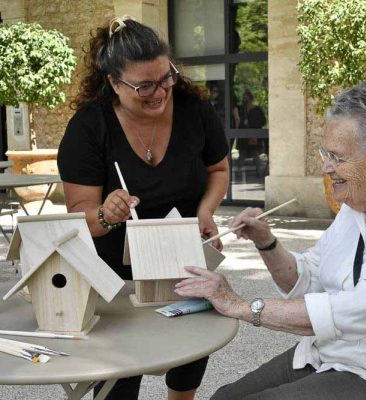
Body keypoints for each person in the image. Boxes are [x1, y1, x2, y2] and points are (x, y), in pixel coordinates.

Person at [175, 85, 366, 399]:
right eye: (325, 154)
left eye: (338, 157)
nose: (326, 167)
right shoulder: (353, 209)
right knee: (224, 396)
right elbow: (307, 279)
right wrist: (266, 242)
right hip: (326, 354)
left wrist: (239, 305)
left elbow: (345, 313)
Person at [57, 16, 229, 400]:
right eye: (144, 86)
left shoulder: (193, 109)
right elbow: (79, 218)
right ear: (114, 83)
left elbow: (218, 168)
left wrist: (205, 211)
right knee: (119, 380)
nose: (159, 92)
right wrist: (106, 212)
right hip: (114, 279)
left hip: (183, 263)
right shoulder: (89, 127)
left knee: (187, 364)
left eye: (166, 78)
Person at [236, 89, 267, 175]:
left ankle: (259, 171)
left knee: (255, 153)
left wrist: (253, 124)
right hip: (243, 135)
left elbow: (263, 121)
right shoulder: (241, 109)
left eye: (247, 98)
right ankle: (238, 171)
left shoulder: (257, 109)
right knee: (242, 153)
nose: (245, 100)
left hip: (254, 134)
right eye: (244, 98)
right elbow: (237, 120)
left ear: (251, 98)